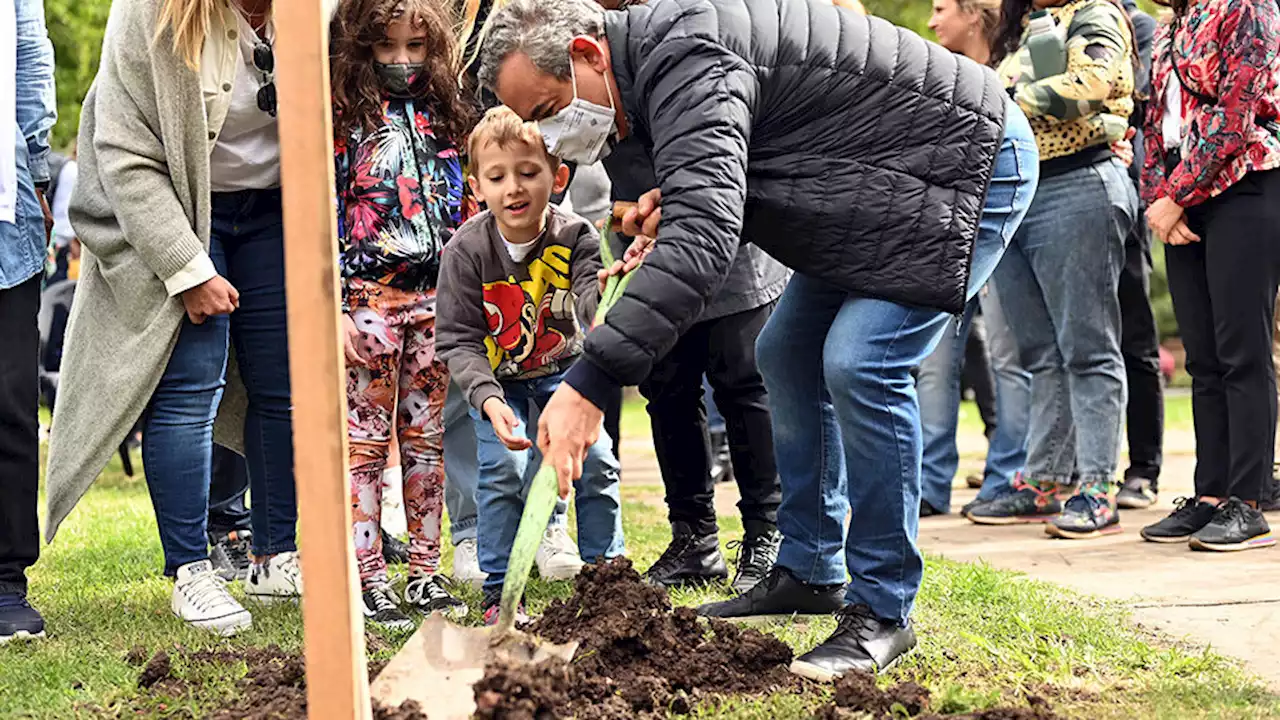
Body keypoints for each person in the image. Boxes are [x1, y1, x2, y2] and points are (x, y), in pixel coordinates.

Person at [479, 0, 1036, 677]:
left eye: (549, 108)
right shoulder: (659, 61)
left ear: (588, 54)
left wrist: (590, 382)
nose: (554, 133)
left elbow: (707, 238)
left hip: (962, 162)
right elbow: (748, 167)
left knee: (862, 363)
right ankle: (808, 569)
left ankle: (883, 611)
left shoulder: (683, 57)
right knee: (786, 353)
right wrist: (681, 203)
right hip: (878, 183)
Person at [47, 0, 303, 636]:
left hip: (273, 209)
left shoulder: (313, 13)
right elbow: (124, 152)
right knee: (189, 388)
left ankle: (277, 556)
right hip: (182, 211)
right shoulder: (151, 12)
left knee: (284, 384)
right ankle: (191, 571)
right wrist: (186, 268)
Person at [437, 106, 626, 625]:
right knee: (502, 470)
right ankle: (500, 589)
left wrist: (609, 285)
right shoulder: (465, 252)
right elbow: (457, 339)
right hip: (497, 383)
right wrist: (489, 399)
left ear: (558, 177)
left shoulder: (579, 237)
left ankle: (607, 577)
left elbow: (591, 307)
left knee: (599, 462)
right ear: (477, 188)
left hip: (562, 373)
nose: (513, 188)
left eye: (528, 172)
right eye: (497, 177)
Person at [965, 0, 1140, 540]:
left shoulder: (1094, 14)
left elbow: (1091, 83)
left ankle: (1096, 488)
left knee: (1088, 347)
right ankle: (1044, 482)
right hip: (1021, 193)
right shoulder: (1019, 31)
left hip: (1079, 186)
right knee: (1039, 352)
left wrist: (1007, 99)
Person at [330, 0, 477, 630]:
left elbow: (468, 205)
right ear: (364, 44)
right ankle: (367, 576)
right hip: (367, 295)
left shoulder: (449, 116)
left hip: (436, 297)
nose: (401, 61)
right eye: (387, 48)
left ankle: (423, 570)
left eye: (415, 49)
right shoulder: (341, 118)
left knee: (427, 442)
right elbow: (322, 211)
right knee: (363, 444)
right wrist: (334, 302)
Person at [1137, 0, 1280, 551]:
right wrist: (1160, 200)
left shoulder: (1248, 7)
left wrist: (1177, 195)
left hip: (1246, 187)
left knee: (1242, 352)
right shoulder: (1173, 23)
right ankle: (1210, 496)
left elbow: (1236, 113)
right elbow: (1152, 123)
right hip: (1182, 201)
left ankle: (1250, 501)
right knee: (1202, 358)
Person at [920, 0, 1032, 516]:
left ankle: (1006, 478)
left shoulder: (1017, 74)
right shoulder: (939, 77)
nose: (932, 20)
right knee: (933, 366)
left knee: (1010, 360)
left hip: (1004, 238)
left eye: (942, 8)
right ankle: (927, 485)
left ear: (974, 14)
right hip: (944, 242)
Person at [0, 0, 56, 644]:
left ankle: (5, 577)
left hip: (4, 216)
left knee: (9, 399)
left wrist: (37, 166)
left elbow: (30, 57)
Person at [1114, 0, 1165, 511]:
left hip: (1128, 199)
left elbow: (1139, 105)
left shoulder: (1139, 25)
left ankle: (1144, 468)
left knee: (1136, 340)